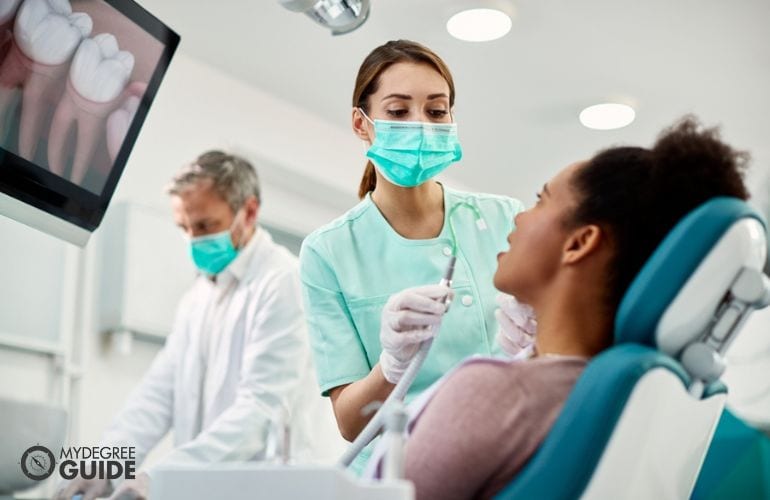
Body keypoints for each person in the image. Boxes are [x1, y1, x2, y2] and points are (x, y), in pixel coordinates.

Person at [382, 117, 750, 499]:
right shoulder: (618, 401)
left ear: (579, 243)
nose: (519, 217)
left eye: (541, 200)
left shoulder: (497, 394)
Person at [298, 39, 534, 474]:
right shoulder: (327, 252)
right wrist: (392, 364)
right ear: (361, 123)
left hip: (506, 457)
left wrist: (541, 340)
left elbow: (563, 350)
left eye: (436, 110)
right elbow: (351, 423)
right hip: (400, 473)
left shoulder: (505, 218)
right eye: (399, 111)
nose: (422, 125)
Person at [56, 151, 336, 500]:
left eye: (204, 226)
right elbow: (158, 394)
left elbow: (260, 409)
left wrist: (161, 478)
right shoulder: (197, 298)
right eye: (184, 228)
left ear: (248, 213)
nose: (193, 239)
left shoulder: (283, 282)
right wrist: (109, 465)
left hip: (274, 488)